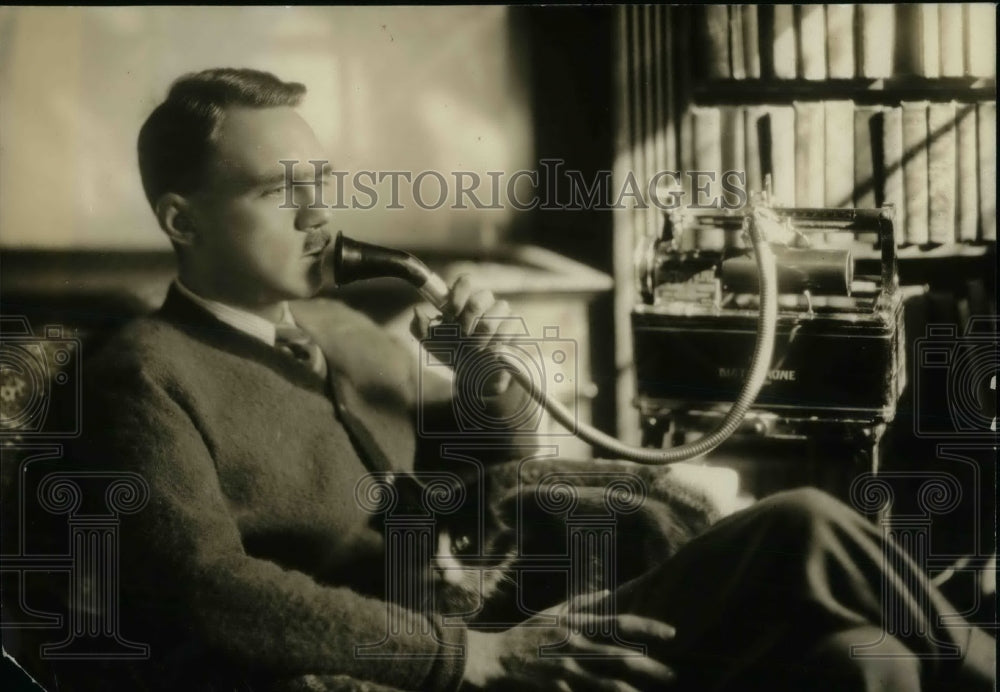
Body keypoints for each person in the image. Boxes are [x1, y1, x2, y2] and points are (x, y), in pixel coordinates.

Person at [6, 68, 994, 692]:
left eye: (322, 183)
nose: (319, 214)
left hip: (509, 619)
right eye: (278, 192)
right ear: (182, 220)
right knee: (803, 524)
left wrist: (489, 379)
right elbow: (208, 590)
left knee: (863, 660)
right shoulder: (142, 374)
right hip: (431, 663)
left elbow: (498, 480)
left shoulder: (346, 332)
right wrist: (473, 656)